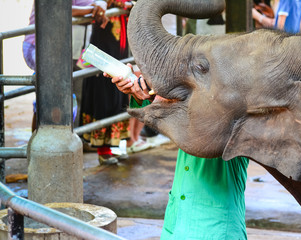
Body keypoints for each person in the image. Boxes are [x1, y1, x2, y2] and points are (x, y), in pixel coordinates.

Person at [107, 69, 249, 239]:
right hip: (175, 225)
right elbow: (167, 117)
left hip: (215, 229)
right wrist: (141, 94)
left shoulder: (236, 113)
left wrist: (159, 98)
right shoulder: (192, 109)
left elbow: (201, 124)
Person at [80, 0, 152, 165]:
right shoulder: (102, 5)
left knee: (118, 93)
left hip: (119, 46)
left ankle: (113, 145)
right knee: (103, 94)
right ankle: (103, 149)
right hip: (104, 46)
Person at [22, 0, 108, 131]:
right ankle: (38, 142)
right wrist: (93, 10)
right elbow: (59, 10)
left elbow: (98, 3)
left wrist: (100, 5)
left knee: (76, 96)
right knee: (48, 99)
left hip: (77, 49)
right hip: (44, 46)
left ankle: (72, 137)